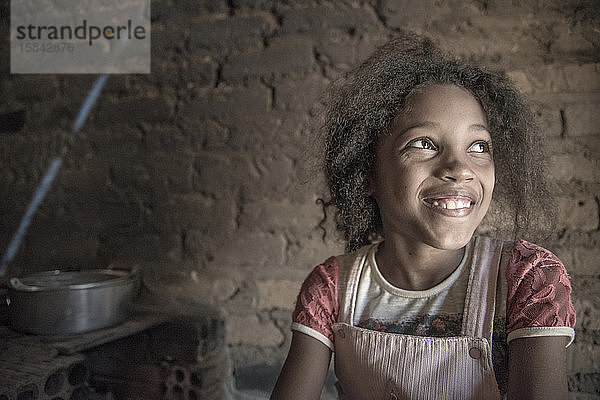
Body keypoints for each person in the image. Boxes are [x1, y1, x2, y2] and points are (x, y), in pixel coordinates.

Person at [270, 32, 576, 400]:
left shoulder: (526, 279)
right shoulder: (332, 289)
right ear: (368, 172)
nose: (459, 168)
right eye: (424, 144)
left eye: (478, 146)